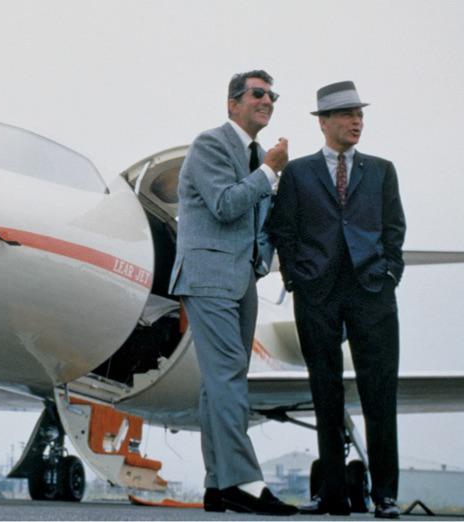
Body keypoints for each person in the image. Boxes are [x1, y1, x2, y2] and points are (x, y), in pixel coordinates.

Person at [266, 81, 405, 519]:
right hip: (318, 293)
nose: (356, 121)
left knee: (379, 391)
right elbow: (282, 231)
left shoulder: (382, 170)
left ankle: (384, 495)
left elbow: (394, 229)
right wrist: (296, 280)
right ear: (324, 122)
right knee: (324, 391)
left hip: (372, 292)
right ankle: (331, 496)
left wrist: (390, 273)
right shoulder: (299, 173)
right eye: (346, 115)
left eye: (359, 114)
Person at [165, 70, 296, 515]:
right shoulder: (211, 145)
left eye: (271, 95)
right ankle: (244, 482)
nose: (267, 101)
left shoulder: (257, 153)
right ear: (232, 103)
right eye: (258, 93)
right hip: (208, 279)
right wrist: (269, 172)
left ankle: (217, 483)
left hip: (242, 280)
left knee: (219, 384)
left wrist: (262, 260)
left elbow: (258, 220)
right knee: (226, 379)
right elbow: (224, 204)